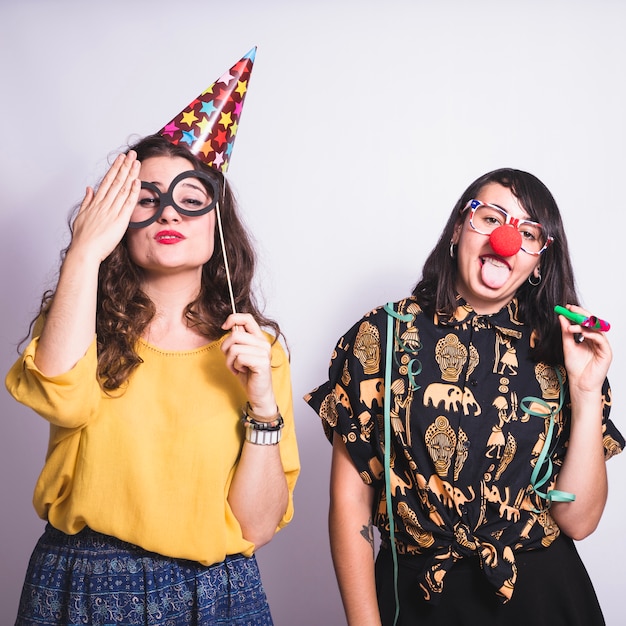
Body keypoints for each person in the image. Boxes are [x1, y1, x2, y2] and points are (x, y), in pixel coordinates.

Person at [305, 168, 623, 626]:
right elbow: (350, 504)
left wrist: (587, 390)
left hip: (544, 598)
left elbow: (579, 522)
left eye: (528, 232)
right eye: (491, 218)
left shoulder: (563, 350)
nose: (506, 239)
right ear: (458, 229)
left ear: (538, 260)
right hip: (417, 599)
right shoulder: (383, 335)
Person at [5, 132, 299, 625]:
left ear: (218, 227)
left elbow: (257, 525)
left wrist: (263, 406)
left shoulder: (256, 353)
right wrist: (83, 250)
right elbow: (63, 403)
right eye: (146, 199)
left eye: (190, 199)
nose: (168, 213)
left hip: (216, 596)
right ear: (118, 220)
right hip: (84, 586)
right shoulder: (81, 326)